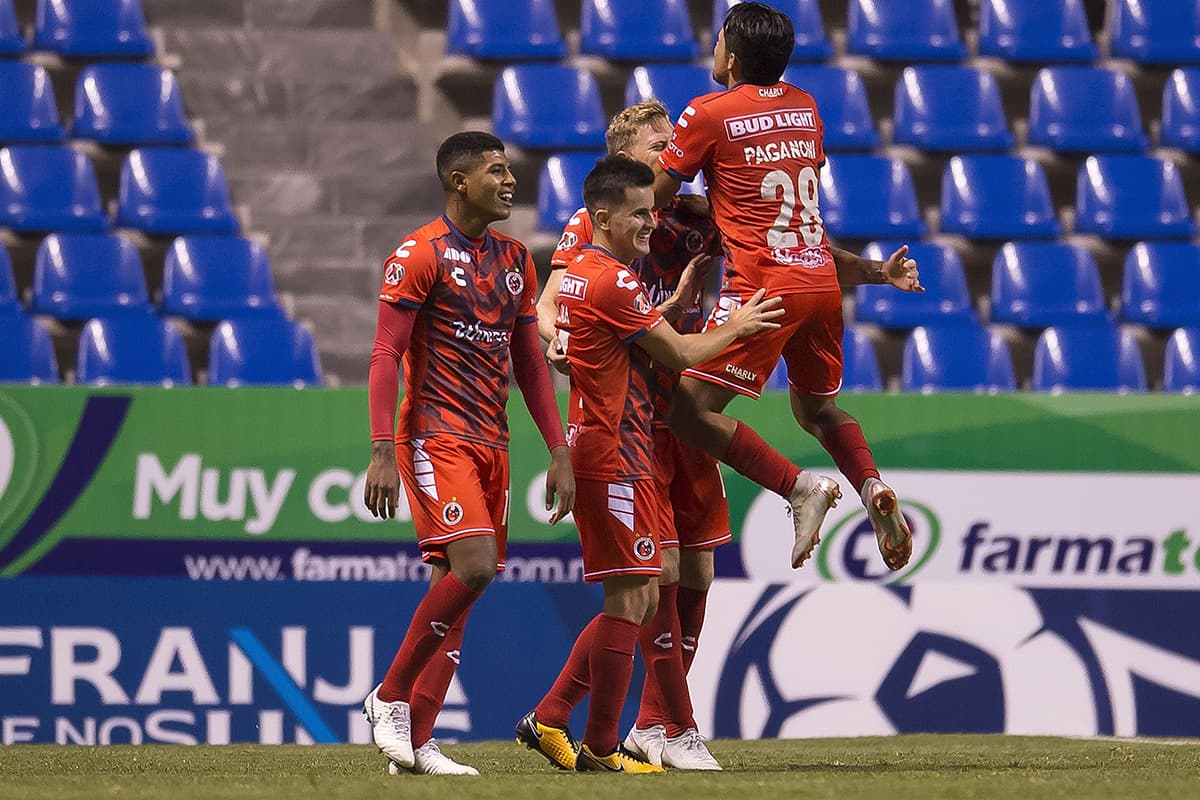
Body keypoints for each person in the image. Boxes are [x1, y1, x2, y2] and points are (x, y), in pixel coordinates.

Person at [516, 156, 783, 774]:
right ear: (603, 217)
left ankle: (558, 718)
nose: (649, 222)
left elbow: (618, 334)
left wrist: (678, 300)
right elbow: (685, 351)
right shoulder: (615, 280)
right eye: (638, 213)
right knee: (634, 595)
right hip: (618, 453)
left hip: (611, 447)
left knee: (643, 589)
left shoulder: (584, 271)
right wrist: (737, 323)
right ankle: (603, 747)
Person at [652, 1, 922, 574]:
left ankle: (797, 486)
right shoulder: (805, 107)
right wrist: (876, 273)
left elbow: (651, 196)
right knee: (818, 409)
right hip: (820, 283)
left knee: (687, 410)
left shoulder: (707, 113)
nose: (714, 47)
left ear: (735, 55)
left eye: (720, 38)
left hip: (761, 291)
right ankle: (871, 487)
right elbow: (783, 205)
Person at [361, 131, 575, 776]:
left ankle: (416, 743)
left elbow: (531, 363)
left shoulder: (515, 258)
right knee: (475, 567)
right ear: (458, 180)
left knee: (457, 588)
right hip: (435, 433)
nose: (511, 182)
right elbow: (385, 354)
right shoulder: (418, 254)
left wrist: (558, 448)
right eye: (497, 171)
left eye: (510, 171)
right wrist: (381, 450)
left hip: (493, 441)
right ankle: (389, 697)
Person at [535, 100, 726, 771]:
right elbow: (550, 298)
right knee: (652, 576)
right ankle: (667, 726)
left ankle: (641, 724)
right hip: (634, 415)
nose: (672, 149)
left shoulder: (705, 212)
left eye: (674, 140)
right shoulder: (598, 225)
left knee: (694, 567)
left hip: (688, 405)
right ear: (624, 155)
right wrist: (553, 336)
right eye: (657, 143)